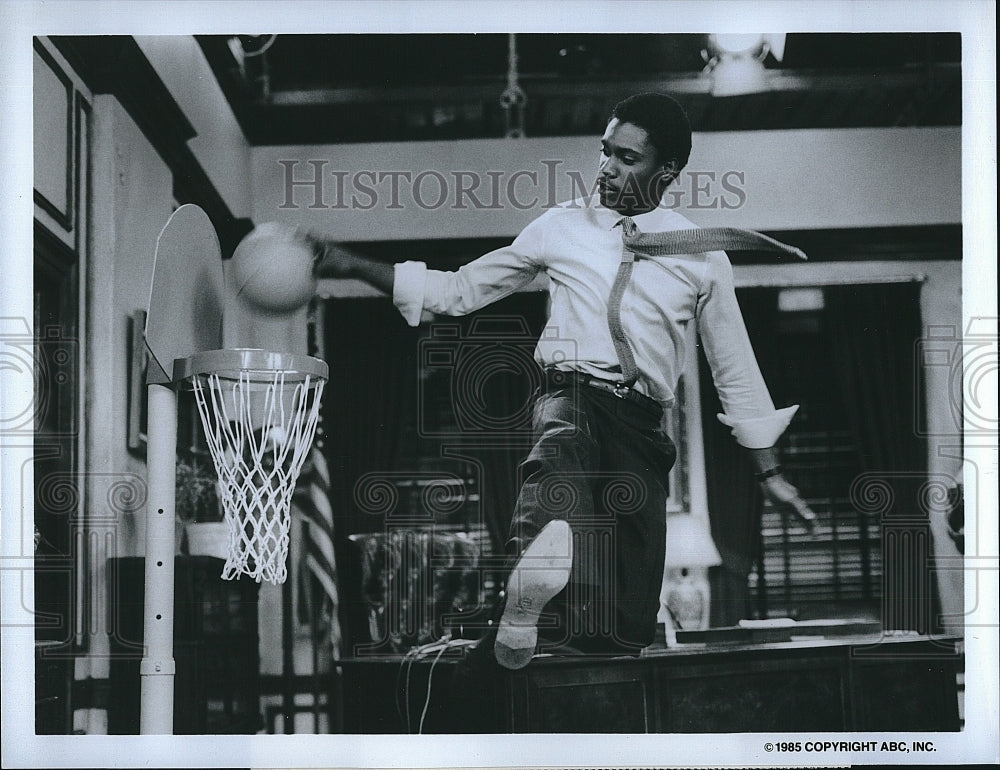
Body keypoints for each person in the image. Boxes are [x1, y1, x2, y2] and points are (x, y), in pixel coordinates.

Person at [312, 91, 816, 698]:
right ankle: (528, 600)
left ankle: (536, 647)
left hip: (641, 429)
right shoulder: (559, 227)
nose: (606, 167)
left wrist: (770, 474)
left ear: (667, 172)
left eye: (627, 159)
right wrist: (351, 263)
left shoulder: (702, 253)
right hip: (570, 398)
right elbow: (457, 291)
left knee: (626, 620)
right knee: (559, 477)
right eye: (604, 152)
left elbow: (734, 368)